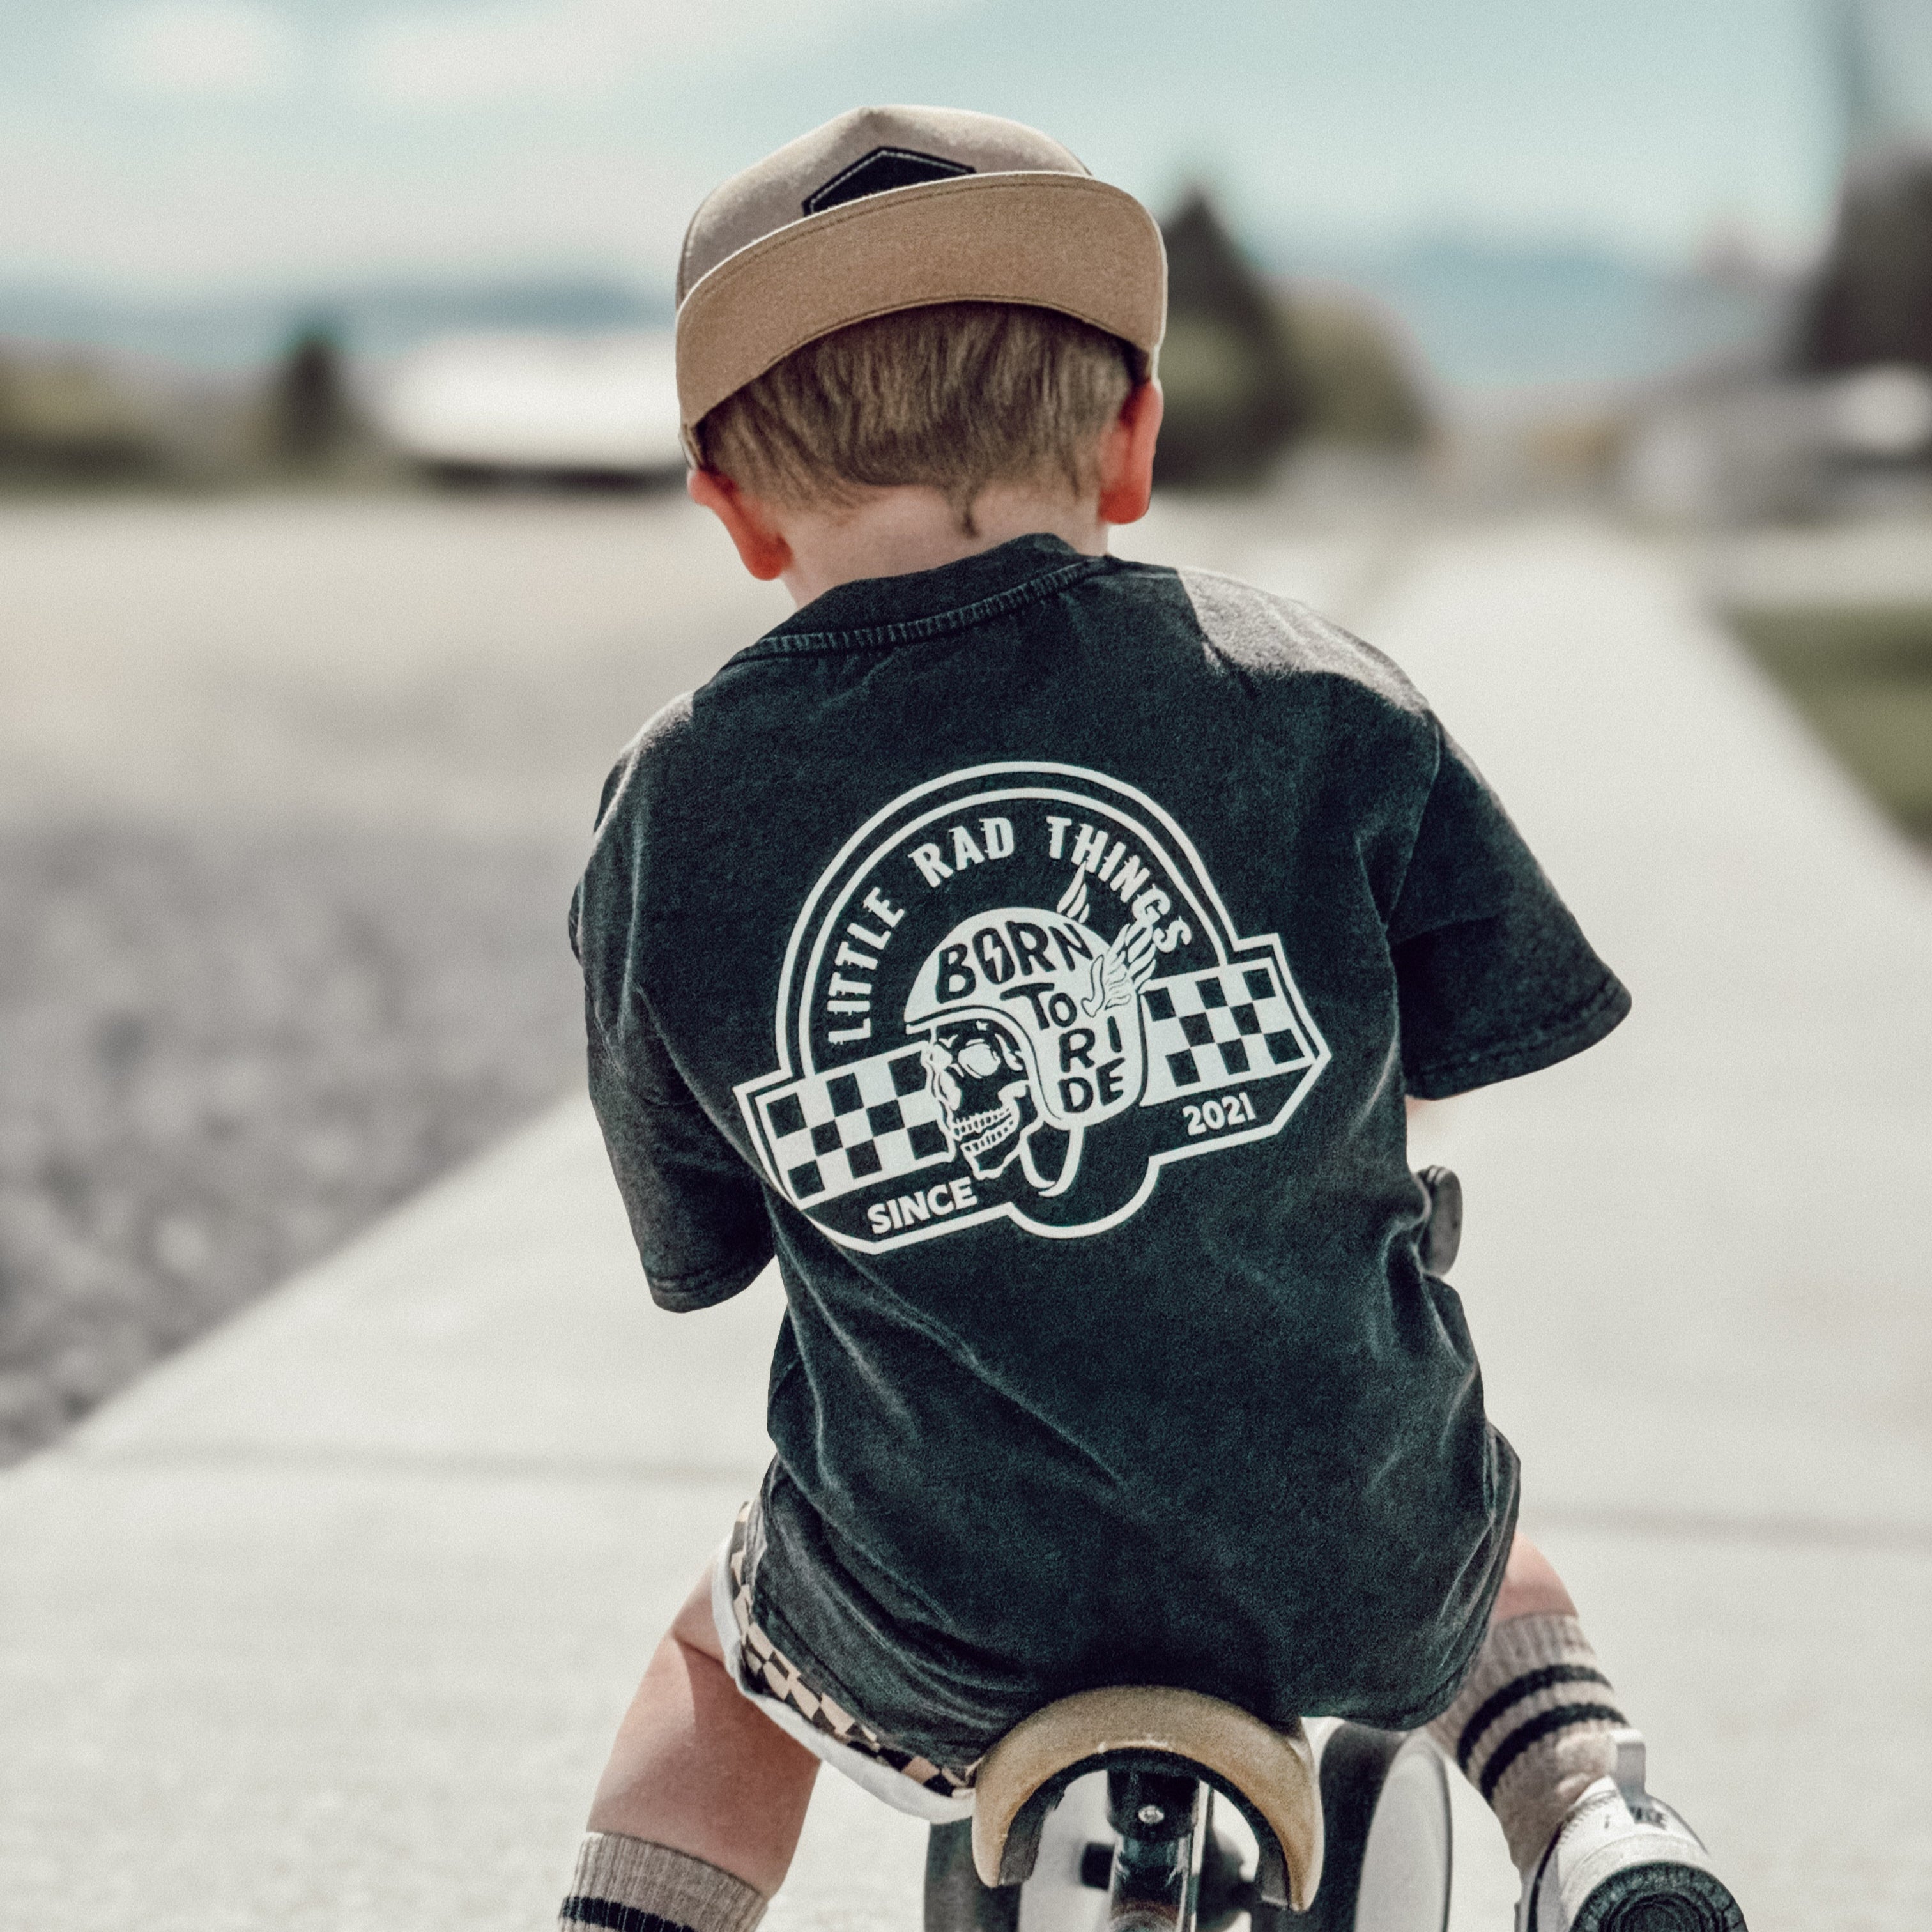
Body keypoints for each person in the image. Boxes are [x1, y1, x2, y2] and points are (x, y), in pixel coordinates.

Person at [564, 107, 1744, 1932]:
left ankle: (631, 1915)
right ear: (1132, 445)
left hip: (925, 1596)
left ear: (726, 506)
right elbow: (1456, 1035)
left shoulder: (674, 807)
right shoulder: (1321, 702)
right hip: (1339, 1551)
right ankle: (1598, 1824)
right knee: (1473, 1518)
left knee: (719, 1665)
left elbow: (703, 1237)